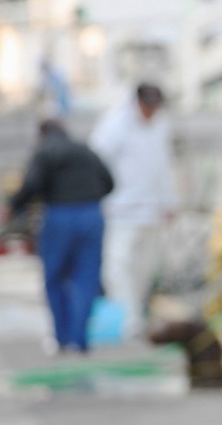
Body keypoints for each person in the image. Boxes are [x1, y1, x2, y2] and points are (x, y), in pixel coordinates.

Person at [3, 119, 113, 352]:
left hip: (59, 214)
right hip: (91, 214)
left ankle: (62, 338)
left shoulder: (44, 152)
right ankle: (80, 339)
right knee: (86, 277)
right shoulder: (85, 150)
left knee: (55, 277)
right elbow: (110, 182)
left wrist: (13, 206)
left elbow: (31, 184)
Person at [90, 83, 178, 337]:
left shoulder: (161, 125)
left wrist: (169, 202)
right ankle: (128, 322)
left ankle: (137, 316)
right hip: (121, 210)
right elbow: (98, 160)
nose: (151, 111)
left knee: (145, 268)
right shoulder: (114, 124)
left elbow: (164, 166)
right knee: (117, 267)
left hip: (152, 210)